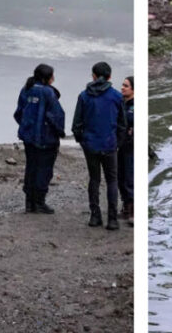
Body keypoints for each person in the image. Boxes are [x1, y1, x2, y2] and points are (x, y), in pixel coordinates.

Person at [72, 61, 127, 231]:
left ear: (94, 76)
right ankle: (112, 219)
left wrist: (82, 141)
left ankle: (95, 216)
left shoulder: (84, 96)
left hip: (91, 145)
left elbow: (76, 124)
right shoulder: (117, 96)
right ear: (110, 77)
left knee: (94, 179)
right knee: (112, 180)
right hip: (109, 144)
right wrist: (117, 142)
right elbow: (122, 124)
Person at [14, 63, 65, 215]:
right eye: (52, 76)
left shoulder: (26, 89)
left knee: (31, 168)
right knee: (44, 170)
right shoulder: (48, 93)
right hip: (45, 139)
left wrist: (26, 127)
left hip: (29, 138)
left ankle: (29, 203)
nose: (53, 78)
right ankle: (39, 202)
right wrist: (59, 132)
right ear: (46, 78)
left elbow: (18, 113)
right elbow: (56, 115)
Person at [118, 76, 134, 227]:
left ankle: (133, 210)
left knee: (130, 177)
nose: (122, 88)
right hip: (120, 145)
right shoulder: (120, 102)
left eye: (126, 86)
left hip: (131, 146)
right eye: (122, 85)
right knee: (121, 176)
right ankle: (125, 206)